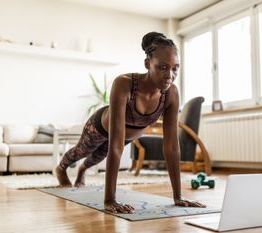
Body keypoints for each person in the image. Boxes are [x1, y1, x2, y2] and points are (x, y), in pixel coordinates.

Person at [55, 31, 206, 214]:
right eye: (163, 67)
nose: (170, 75)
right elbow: (116, 146)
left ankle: (81, 171)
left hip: (128, 135)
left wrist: (178, 197)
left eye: (175, 68)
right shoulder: (124, 84)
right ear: (147, 63)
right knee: (82, 151)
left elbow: (172, 146)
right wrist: (110, 200)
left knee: (97, 158)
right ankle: (61, 168)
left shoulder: (171, 93)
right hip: (100, 127)